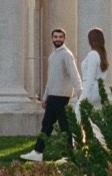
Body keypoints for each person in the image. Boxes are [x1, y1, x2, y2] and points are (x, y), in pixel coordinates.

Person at [20, 27, 82, 162]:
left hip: (62, 96)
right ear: (52, 38)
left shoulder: (67, 55)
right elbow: (50, 79)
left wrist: (80, 94)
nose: (58, 39)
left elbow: (74, 75)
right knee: (46, 124)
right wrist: (44, 97)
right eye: (55, 37)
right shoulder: (52, 56)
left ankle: (70, 154)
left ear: (64, 39)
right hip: (52, 96)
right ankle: (38, 152)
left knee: (64, 125)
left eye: (60, 37)